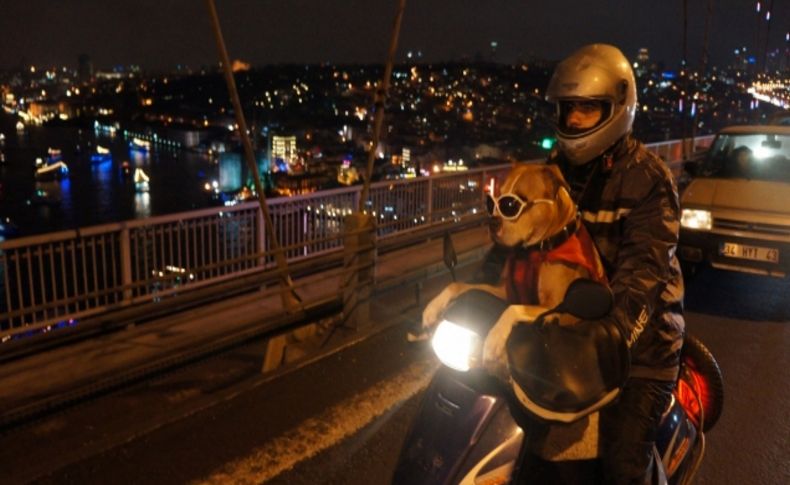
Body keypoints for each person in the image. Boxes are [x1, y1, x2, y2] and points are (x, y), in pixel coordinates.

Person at [531, 43, 685, 484]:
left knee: (620, 467)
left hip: (641, 350)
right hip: (570, 336)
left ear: (617, 109)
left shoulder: (648, 179)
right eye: (569, 108)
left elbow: (644, 274)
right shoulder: (555, 173)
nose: (575, 119)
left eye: (588, 108)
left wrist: (616, 333)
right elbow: (525, 238)